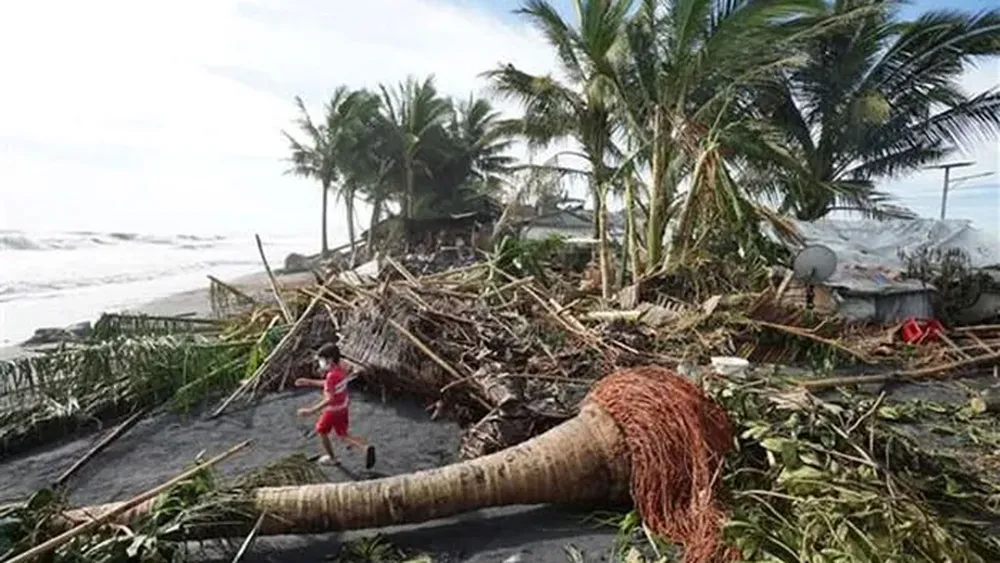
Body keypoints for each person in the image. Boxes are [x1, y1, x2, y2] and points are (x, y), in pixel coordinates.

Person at [295, 343, 375, 468]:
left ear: (330, 360)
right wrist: (308, 382)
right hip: (343, 407)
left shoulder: (331, 376)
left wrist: (310, 411)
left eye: (322, 360)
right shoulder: (341, 369)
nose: (320, 363)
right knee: (342, 434)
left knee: (321, 431)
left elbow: (329, 398)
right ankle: (364, 447)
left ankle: (332, 458)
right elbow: (330, 385)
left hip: (332, 411)